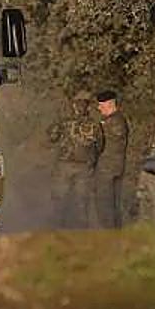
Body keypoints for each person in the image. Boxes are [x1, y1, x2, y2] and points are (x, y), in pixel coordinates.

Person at [47, 92, 101, 229]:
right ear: (88, 107)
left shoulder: (64, 122)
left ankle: (58, 232)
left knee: (59, 201)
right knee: (82, 202)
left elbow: (51, 138)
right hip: (85, 167)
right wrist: (91, 159)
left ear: (74, 106)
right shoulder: (95, 124)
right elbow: (100, 145)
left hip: (65, 165)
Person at [94, 89, 129, 229]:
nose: (98, 108)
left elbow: (98, 145)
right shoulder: (121, 120)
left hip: (106, 170)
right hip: (118, 168)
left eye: (100, 105)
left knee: (104, 207)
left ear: (108, 104)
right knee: (115, 206)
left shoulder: (108, 123)